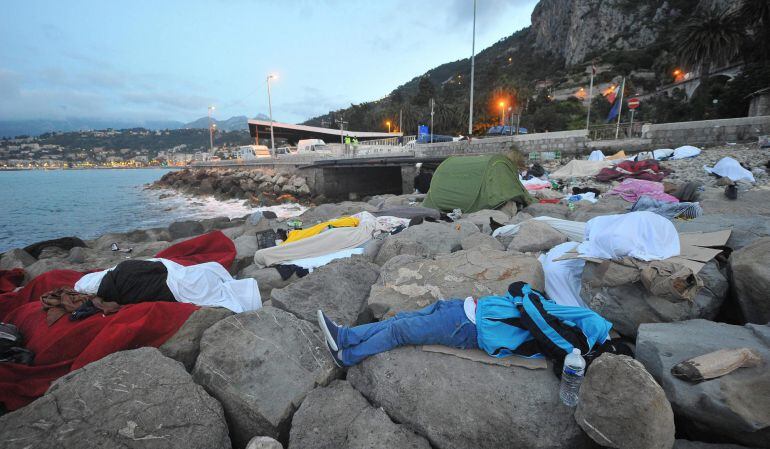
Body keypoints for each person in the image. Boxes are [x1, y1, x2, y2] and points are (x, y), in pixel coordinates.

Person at [317, 281, 617, 368]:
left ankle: (347, 356)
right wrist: (526, 295)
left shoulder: (578, 342)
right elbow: (540, 306)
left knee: (400, 331)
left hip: (470, 326)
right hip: (469, 309)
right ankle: (344, 337)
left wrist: (525, 295)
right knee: (401, 320)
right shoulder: (585, 333)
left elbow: (539, 320)